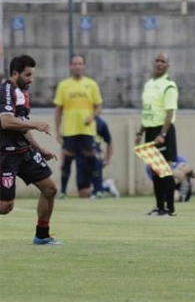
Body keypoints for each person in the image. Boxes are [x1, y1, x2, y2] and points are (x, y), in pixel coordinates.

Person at [0, 55, 62, 245]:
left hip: (25, 152)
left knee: (50, 189)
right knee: (5, 207)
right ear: (15, 73)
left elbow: (22, 126)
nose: (31, 79)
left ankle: (42, 235)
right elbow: (6, 121)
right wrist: (38, 125)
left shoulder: (23, 93)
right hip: (5, 155)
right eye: (28, 75)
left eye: (32, 75)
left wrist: (40, 149)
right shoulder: (6, 91)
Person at [54, 54, 103, 199]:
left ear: (84, 66)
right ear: (70, 66)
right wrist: (58, 131)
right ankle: (63, 191)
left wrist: (92, 116)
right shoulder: (64, 85)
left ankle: (98, 189)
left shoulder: (91, 84)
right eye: (74, 64)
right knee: (67, 159)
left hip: (87, 130)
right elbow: (58, 110)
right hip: (70, 129)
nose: (77, 66)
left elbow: (99, 106)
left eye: (80, 64)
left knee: (92, 158)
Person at [135, 53, 178, 216]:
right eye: (157, 60)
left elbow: (169, 112)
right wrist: (140, 131)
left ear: (167, 66)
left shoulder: (169, 86)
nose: (159, 64)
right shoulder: (149, 85)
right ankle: (160, 206)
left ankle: (170, 208)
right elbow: (147, 111)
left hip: (163, 130)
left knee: (164, 169)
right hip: (150, 130)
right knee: (154, 170)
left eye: (163, 61)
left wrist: (163, 133)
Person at [74, 115, 119, 198]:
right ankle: (106, 186)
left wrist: (107, 158)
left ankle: (100, 190)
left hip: (94, 156)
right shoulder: (77, 119)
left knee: (98, 191)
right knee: (83, 194)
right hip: (80, 155)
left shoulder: (100, 123)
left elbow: (109, 141)